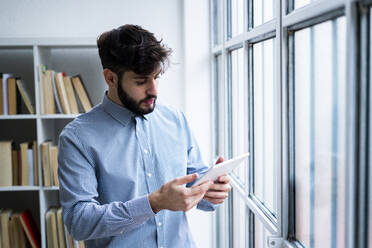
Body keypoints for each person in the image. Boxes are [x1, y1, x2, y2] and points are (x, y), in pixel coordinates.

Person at [58, 24, 231, 248]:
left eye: (156, 77)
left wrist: (211, 190)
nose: (154, 90)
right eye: (141, 81)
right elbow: (79, 222)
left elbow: (194, 182)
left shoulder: (175, 119)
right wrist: (152, 203)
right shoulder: (77, 138)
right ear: (111, 78)